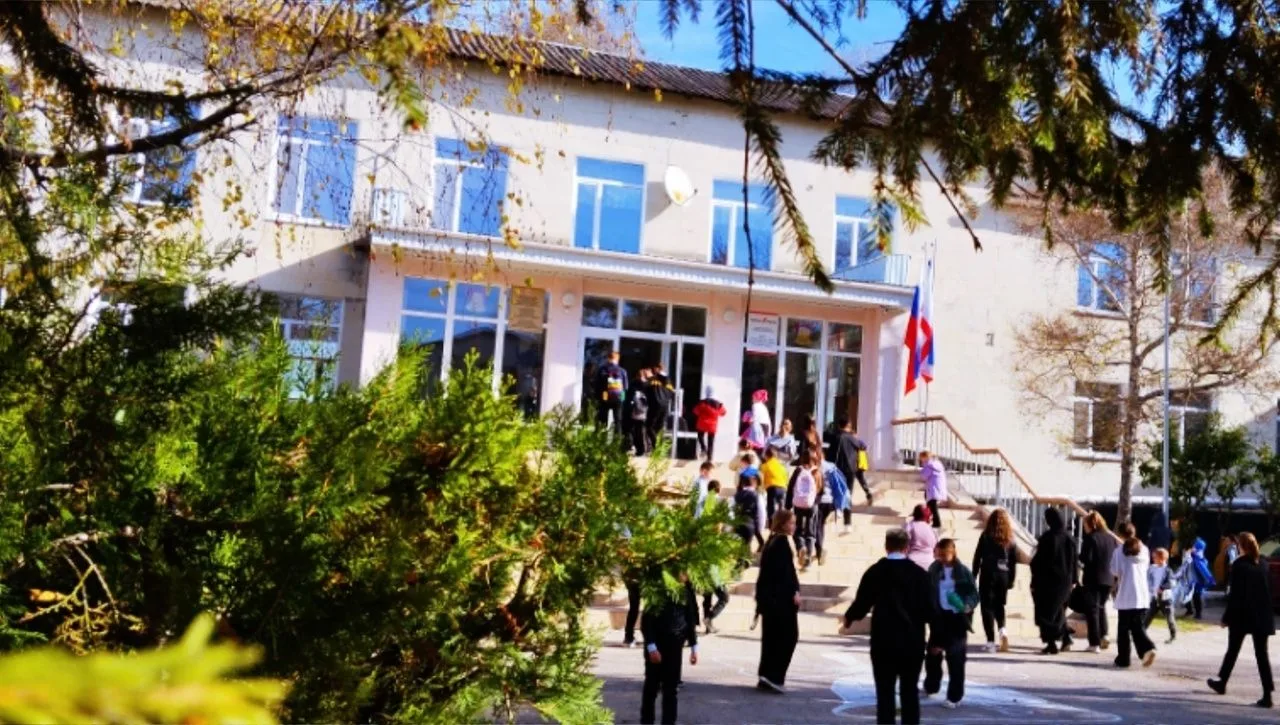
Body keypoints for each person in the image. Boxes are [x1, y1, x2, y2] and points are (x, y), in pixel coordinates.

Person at [842, 528, 934, 725]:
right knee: (909, 691)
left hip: (883, 640)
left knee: (884, 692)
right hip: (912, 641)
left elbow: (862, 602)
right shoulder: (920, 575)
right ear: (907, 547)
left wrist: (850, 617)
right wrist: (938, 638)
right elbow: (930, 609)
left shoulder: (875, 572)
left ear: (886, 546)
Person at [1208, 532, 1275, 709]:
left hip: (1242, 615)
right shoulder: (1263, 564)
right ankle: (1267, 694)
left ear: (1241, 546)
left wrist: (1226, 618)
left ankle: (1222, 682)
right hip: (1261, 614)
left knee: (1233, 650)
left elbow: (1235, 596)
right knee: (1262, 655)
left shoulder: (1239, 565)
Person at [925, 538, 980, 709]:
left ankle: (954, 696)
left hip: (957, 618)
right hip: (939, 616)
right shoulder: (934, 569)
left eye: (944, 555)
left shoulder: (963, 571)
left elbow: (973, 593)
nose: (941, 558)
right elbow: (927, 590)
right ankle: (931, 685)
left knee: (956, 657)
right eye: (939, 554)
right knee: (933, 653)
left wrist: (968, 605)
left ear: (952, 553)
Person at [639, 576, 700, 725]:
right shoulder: (657, 591)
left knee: (671, 689)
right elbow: (646, 622)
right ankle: (647, 721)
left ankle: (669, 722)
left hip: (675, 647)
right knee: (651, 687)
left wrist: (694, 646)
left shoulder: (685, 592)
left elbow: (690, 618)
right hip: (656, 646)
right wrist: (651, 646)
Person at [756, 510, 801, 693]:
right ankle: (774, 675)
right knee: (788, 636)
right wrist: (794, 592)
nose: (794, 526)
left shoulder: (771, 541)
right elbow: (785, 573)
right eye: (791, 523)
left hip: (769, 599)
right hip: (780, 600)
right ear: (783, 524)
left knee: (771, 638)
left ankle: (766, 674)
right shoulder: (781, 543)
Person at [1031, 508, 1077, 655]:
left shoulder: (1047, 538)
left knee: (1046, 613)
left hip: (1047, 582)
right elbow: (1074, 562)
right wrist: (1074, 580)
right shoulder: (1070, 538)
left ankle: (1051, 643)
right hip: (1065, 582)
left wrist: (1034, 580)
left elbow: (1038, 562)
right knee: (1057, 611)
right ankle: (1065, 638)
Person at [1110, 522, 1156, 668]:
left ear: (1120, 534)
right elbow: (1146, 567)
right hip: (1142, 594)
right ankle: (1145, 651)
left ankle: (1124, 658)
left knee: (1123, 629)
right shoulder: (1144, 550)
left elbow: (1115, 571)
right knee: (1137, 626)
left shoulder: (1119, 551)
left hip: (1126, 594)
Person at [972, 508, 1017, 653]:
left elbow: (977, 557)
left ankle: (990, 642)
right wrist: (1011, 580)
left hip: (988, 573)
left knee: (987, 607)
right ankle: (1003, 630)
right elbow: (1013, 562)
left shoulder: (985, 536)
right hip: (1003, 575)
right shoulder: (1010, 539)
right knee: (999, 605)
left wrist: (973, 575)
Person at [1079, 511, 1117, 653]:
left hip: (1093, 578)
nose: (1084, 528)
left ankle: (1094, 643)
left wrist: (1079, 557)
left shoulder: (1091, 538)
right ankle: (1104, 634)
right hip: (1108, 578)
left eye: (1085, 525)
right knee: (1101, 607)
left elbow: (1086, 558)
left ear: (1090, 524)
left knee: (1092, 611)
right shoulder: (1110, 538)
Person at [698, 480, 730, 633]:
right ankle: (709, 618)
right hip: (713, 567)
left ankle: (708, 625)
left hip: (703, 559)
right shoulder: (719, 502)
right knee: (724, 597)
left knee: (707, 596)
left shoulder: (702, 503)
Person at [788, 451, 820, 570]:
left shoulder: (798, 470)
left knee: (798, 531)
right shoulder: (816, 471)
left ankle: (801, 547)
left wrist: (787, 505)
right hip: (812, 505)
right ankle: (808, 561)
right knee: (810, 533)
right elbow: (821, 490)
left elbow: (790, 488)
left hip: (798, 505)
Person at [814, 459, 849, 566]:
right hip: (829, 501)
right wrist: (839, 507)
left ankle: (819, 550)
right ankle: (819, 549)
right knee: (819, 526)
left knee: (818, 526)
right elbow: (840, 487)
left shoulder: (815, 468)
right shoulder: (831, 467)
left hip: (819, 501)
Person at [833, 419, 874, 508]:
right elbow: (863, 446)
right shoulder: (853, 439)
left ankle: (848, 503)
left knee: (852, 483)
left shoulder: (840, 438)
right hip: (854, 464)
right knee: (859, 481)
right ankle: (867, 494)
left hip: (850, 465)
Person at [1144, 547, 1177, 644]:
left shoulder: (1167, 570)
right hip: (1155, 598)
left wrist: (1162, 588)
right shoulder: (1152, 568)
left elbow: (1171, 583)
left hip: (1165, 599)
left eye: (1155, 557)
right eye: (1153, 557)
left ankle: (1173, 635)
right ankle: (1141, 633)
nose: (1153, 559)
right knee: (1148, 616)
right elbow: (1148, 579)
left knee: (1169, 618)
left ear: (1162, 559)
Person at [594, 350, 628, 440]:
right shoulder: (622, 371)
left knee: (602, 419)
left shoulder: (602, 369)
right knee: (618, 420)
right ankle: (617, 441)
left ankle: (601, 440)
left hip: (605, 396)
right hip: (618, 398)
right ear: (617, 359)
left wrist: (598, 398)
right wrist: (622, 400)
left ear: (608, 358)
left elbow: (597, 385)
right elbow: (625, 388)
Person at [1181, 537, 1216, 619]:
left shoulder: (1199, 558)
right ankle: (1190, 610)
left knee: (1196, 596)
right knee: (1186, 595)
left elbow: (1203, 570)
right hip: (1189, 579)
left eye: (1194, 546)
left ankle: (1198, 613)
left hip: (1197, 581)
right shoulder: (1191, 555)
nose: (1192, 548)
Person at [734, 470, 766, 553]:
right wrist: (760, 528)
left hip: (738, 524)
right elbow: (761, 513)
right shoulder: (757, 496)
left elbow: (732, 509)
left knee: (740, 547)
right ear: (755, 483)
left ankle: (741, 558)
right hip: (750, 524)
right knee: (747, 546)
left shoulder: (737, 495)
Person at [692, 392, 726, 462]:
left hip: (702, 424)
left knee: (700, 436)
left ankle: (703, 448)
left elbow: (695, 411)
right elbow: (723, 413)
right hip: (712, 426)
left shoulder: (702, 403)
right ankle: (709, 458)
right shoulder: (718, 405)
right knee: (711, 442)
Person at [646, 363, 675, 446]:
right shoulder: (668, 380)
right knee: (659, 426)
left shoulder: (653, 380)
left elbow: (646, 389)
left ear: (657, 369)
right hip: (664, 405)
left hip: (655, 405)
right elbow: (671, 393)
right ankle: (655, 444)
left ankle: (655, 443)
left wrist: (649, 378)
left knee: (649, 426)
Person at [626, 367, 652, 455]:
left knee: (636, 430)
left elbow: (628, 396)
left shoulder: (634, 384)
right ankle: (643, 449)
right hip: (643, 411)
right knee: (641, 430)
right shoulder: (649, 385)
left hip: (636, 410)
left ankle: (640, 448)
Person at [918, 451, 946, 530]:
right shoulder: (937, 464)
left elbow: (924, 476)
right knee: (931, 505)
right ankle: (931, 520)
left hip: (932, 489)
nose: (920, 460)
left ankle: (936, 523)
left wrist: (922, 470)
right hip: (937, 488)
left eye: (921, 458)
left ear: (924, 457)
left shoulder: (929, 466)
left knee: (932, 506)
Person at [759, 447, 788, 522]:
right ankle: (782, 522)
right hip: (783, 488)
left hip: (772, 487)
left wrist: (761, 489)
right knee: (781, 507)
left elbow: (761, 479)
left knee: (771, 507)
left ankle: (771, 523)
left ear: (766, 455)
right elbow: (786, 477)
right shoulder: (781, 466)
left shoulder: (765, 466)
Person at [905, 504, 938, 571]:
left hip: (913, 561)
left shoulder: (909, 526)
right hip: (929, 562)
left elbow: (904, 544)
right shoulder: (932, 530)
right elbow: (936, 547)